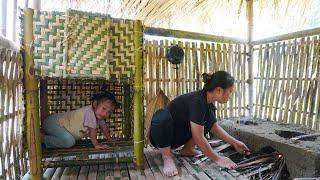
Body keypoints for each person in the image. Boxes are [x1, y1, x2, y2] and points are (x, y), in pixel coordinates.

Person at [149, 71, 250, 177]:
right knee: (162, 116)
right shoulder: (197, 101)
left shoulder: (208, 105)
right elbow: (199, 137)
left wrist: (235, 143)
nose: (230, 96)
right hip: (160, 137)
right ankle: (167, 157)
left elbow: (214, 128)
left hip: (176, 137)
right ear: (219, 90)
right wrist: (218, 159)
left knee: (207, 122)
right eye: (230, 91)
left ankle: (187, 149)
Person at [42, 91, 120, 149]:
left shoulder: (98, 116)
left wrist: (109, 138)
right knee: (69, 142)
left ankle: (47, 136)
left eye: (109, 112)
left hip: (56, 125)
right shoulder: (90, 113)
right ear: (95, 104)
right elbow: (92, 130)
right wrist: (96, 145)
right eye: (104, 108)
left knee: (69, 140)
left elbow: (104, 127)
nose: (105, 113)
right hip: (53, 123)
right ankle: (42, 139)